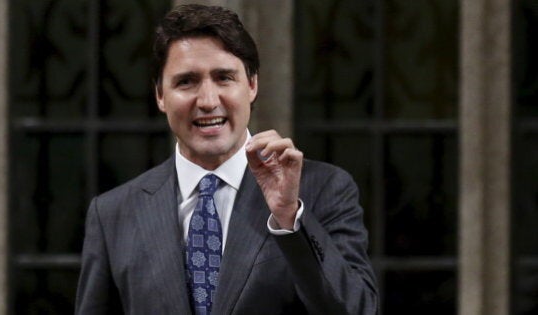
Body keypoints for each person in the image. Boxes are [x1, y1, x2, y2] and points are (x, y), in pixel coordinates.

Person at [75, 4, 377, 315]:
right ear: (160, 96)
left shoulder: (323, 190)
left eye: (223, 78)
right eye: (186, 81)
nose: (207, 101)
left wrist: (289, 219)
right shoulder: (112, 214)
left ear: (252, 85)